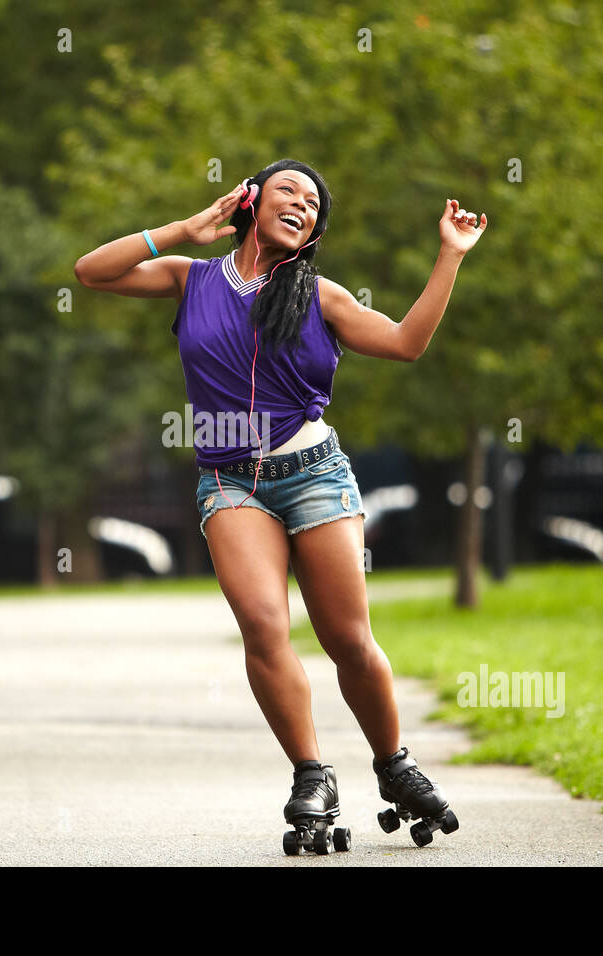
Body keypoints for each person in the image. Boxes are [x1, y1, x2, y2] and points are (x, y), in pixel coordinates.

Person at [74, 158, 487, 851]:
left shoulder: (322, 297)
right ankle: (312, 774)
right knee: (265, 626)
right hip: (232, 482)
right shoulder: (190, 278)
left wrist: (449, 254)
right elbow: (92, 270)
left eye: (315, 204)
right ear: (250, 201)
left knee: (348, 640)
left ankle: (394, 764)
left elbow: (407, 343)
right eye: (290, 191)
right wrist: (186, 228)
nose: (304, 205)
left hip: (316, 475)